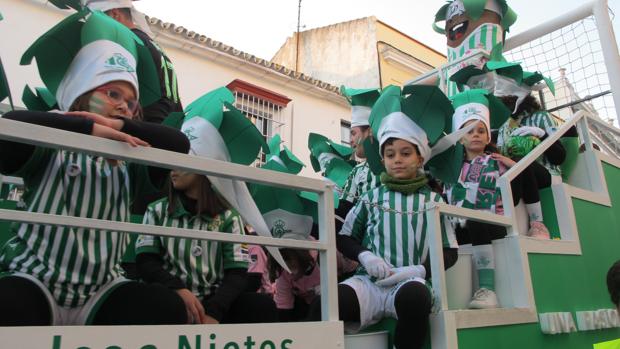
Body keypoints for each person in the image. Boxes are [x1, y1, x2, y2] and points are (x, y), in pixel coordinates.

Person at [0, 11, 189, 325]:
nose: (122, 105)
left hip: (101, 290)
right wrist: (86, 128)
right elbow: (12, 126)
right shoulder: (49, 145)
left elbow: (178, 144)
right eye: (112, 94)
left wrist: (115, 124)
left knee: (162, 307)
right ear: (81, 94)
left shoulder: (131, 160)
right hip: (34, 281)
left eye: (130, 103)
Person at [330, 85, 460, 349]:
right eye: (390, 155)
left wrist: (419, 270)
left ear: (420, 156)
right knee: (332, 300)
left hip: (409, 282)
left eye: (405, 153)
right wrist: (366, 256)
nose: (397, 160)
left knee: (416, 298)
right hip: (370, 283)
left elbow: (450, 252)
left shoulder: (434, 202)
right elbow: (345, 238)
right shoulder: (371, 197)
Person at [445, 90, 555, 308]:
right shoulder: (452, 170)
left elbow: (531, 176)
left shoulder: (497, 160)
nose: (475, 135)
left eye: (480, 130)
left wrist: (511, 163)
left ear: (488, 137)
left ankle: (488, 290)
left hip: (494, 222)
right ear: (460, 138)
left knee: (478, 219)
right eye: (469, 131)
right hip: (461, 228)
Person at [135, 171, 277, 324]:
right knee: (162, 303)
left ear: (203, 168)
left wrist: (214, 312)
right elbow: (146, 262)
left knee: (261, 305)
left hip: (213, 300)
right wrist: (178, 290)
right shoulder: (157, 210)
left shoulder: (229, 216)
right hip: (168, 294)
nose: (172, 170)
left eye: (181, 162)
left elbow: (237, 273)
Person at [86, 0, 183, 124]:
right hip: (170, 125)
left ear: (115, 14)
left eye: (99, 20)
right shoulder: (150, 43)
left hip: (145, 125)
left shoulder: (126, 41)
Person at [339, 86, 381, 206]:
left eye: (353, 133)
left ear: (370, 131)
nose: (350, 141)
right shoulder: (356, 171)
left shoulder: (396, 165)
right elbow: (344, 211)